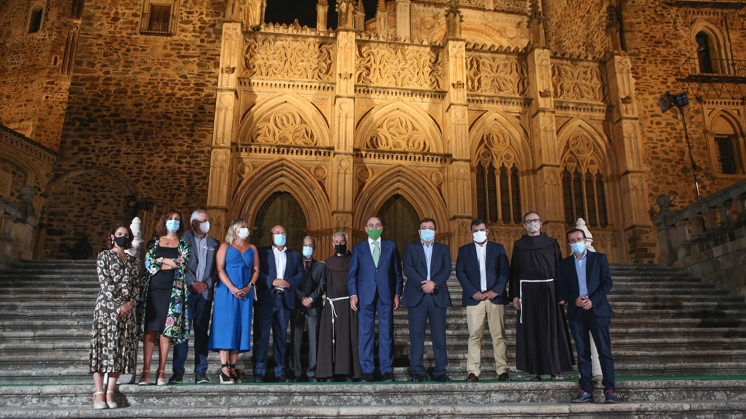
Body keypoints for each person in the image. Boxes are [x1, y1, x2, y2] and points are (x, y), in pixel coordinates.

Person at [509, 211, 573, 381]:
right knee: (531, 331)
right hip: (527, 292)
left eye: (535, 220)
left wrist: (561, 292)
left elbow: (560, 268)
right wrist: (515, 295)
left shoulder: (551, 243)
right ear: (524, 225)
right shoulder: (519, 245)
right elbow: (514, 272)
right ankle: (533, 370)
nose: (532, 223)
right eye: (528, 221)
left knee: (552, 330)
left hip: (549, 290)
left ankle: (555, 369)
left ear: (541, 223)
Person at [558, 229, 617, 404]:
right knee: (582, 353)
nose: (576, 242)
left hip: (597, 310)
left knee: (604, 351)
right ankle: (586, 390)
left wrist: (593, 301)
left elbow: (607, 283)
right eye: (572, 240)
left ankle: (610, 389)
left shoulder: (599, 259)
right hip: (577, 312)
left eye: (578, 239)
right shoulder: (565, 264)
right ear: (568, 244)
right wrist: (573, 300)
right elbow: (562, 288)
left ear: (585, 240)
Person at [138, 210, 191, 386]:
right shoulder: (154, 241)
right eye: (170, 219)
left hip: (173, 292)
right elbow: (149, 263)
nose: (173, 222)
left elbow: (181, 264)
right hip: (153, 290)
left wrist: (161, 260)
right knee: (149, 331)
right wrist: (168, 261)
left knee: (166, 332)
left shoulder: (184, 244)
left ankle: (161, 372)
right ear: (164, 221)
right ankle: (145, 372)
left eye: (177, 219)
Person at [90, 223, 139, 409]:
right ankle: (98, 392)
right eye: (119, 234)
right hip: (107, 308)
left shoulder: (132, 261)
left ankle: (110, 390)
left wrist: (130, 303)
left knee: (119, 349)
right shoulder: (104, 256)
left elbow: (136, 285)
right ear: (112, 236)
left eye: (126, 235)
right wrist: (119, 304)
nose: (123, 237)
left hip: (127, 310)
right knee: (102, 348)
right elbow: (105, 281)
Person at [455, 219, 511, 382]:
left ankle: (502, 370)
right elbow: (460, 273)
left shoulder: (498, 249)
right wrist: (473, 292)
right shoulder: (464, 250)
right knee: (474, 336)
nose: (478, 232)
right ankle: (473, 371)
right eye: (475, 230)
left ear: (487, 231)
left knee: (499, 336)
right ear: (471, 233)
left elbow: (504, 271)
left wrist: (496, 290)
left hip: (495, 298)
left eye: (481, 229)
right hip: (475, 300)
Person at [348, 216, 403, 382]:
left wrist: (397, 293)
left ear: (382, 227)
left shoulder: (391, 246)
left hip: (386, 294)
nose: (374, 227)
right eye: (371, 225)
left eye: (377, 225)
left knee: (386, 334)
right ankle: (367, 370)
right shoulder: (359, 248)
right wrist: (353, 294)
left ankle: (386, 370)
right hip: (365, 294)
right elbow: (353, 274)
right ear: (365, 228)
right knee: (366, 333)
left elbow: (397, 272)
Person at [169, 210, 220, 384]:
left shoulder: (214, 243)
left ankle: (201, 372)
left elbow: (216, 269)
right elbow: (179, 264)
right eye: (205, 220)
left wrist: (206, 283)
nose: (208, 223)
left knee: (201, 333)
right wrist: (192, 282)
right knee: (183, 333)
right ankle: (178, 373)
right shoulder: (183, 239)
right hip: (187, 292)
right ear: (195, 223)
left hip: (205, 294)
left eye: (209, 220)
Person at [402, 218, 452, 382]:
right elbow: (408, 268)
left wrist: (434, 283)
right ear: (419, 231)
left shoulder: (443, 249)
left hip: (437, 295)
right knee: (416, 336)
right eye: (424, 228)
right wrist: (424, 284)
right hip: (418, 295)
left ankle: (440, 370)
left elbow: (447, 269)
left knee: (439, 336)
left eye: (430, 228)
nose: (427, 230)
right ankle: (417, 370)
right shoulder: (411, 248)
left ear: (435, 231)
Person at [209, 219, 259, 384]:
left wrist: (249, 286)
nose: (245, 229)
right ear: (235, 230)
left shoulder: (252, 248)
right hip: (227, 292)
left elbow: (256, 269)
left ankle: (233, 367)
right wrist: (231, 287)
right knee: (226, 327)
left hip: (245, 293)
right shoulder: (225, 246)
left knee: (240, 327)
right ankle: (224, 368)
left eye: (246, 227)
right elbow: (220, 268)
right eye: (242, 227)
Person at [253, 224, 305, 382]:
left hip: (284, 300)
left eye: (283, 233)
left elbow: (300, 274)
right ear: (271, 236)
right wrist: (272, 280)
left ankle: (280, 371)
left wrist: (290, 283)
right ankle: (259, 371)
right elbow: (257, 272)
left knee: (281, 338)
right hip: (267, 300)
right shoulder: (262, 252)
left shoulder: (294, 255)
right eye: (277, 233)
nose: (280, 235)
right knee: (261, 337)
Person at [317, 232, 361, 381]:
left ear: (347, 243)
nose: (339, 244)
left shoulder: (353, 261)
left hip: (349, 304)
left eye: (342, 241)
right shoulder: (328, 263)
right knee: (330, 339)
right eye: (336, 241)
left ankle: (348, 371)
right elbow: (322, 284)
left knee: (348, 338)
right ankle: (329, 372)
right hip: (332, 304)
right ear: (332, 244)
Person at [290, 236, 326, 382]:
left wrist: (311, 299)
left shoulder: (320, 266)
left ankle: (313, 372)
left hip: (314, 306)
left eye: (310, 245)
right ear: (301, 246)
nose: (307, 247)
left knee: (314, 340)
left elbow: (322, 285)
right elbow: (292, 283)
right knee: (296, 340)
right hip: (297, 306)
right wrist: (302, 299)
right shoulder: (294, 264)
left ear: (314, 247)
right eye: (305, 245)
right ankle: (296, 372)